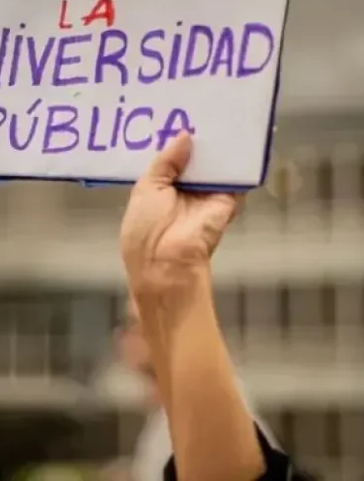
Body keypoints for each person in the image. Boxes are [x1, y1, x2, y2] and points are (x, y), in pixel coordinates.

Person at [119, 132, 308, 480]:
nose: (122, 339)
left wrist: (177, 278)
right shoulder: (168, 422)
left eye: (138, 320)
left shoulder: (201, 418)